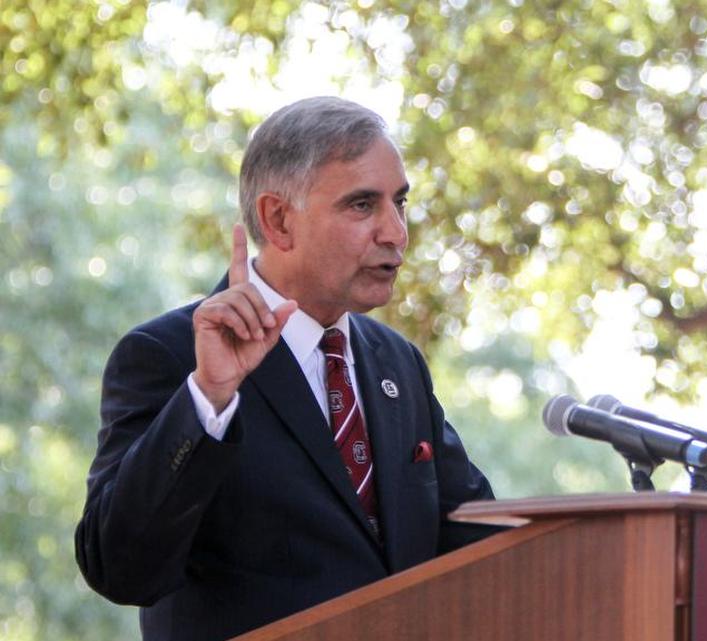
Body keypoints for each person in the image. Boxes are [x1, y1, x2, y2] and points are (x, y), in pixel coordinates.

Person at [75, 97, 498, 640]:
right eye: (363, 205)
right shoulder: (170, 356)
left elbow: (477, 533)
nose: (396, 232)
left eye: (400, 202)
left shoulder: (399, 363)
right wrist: (209, 398)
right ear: (278, 219)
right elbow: (119, 568)